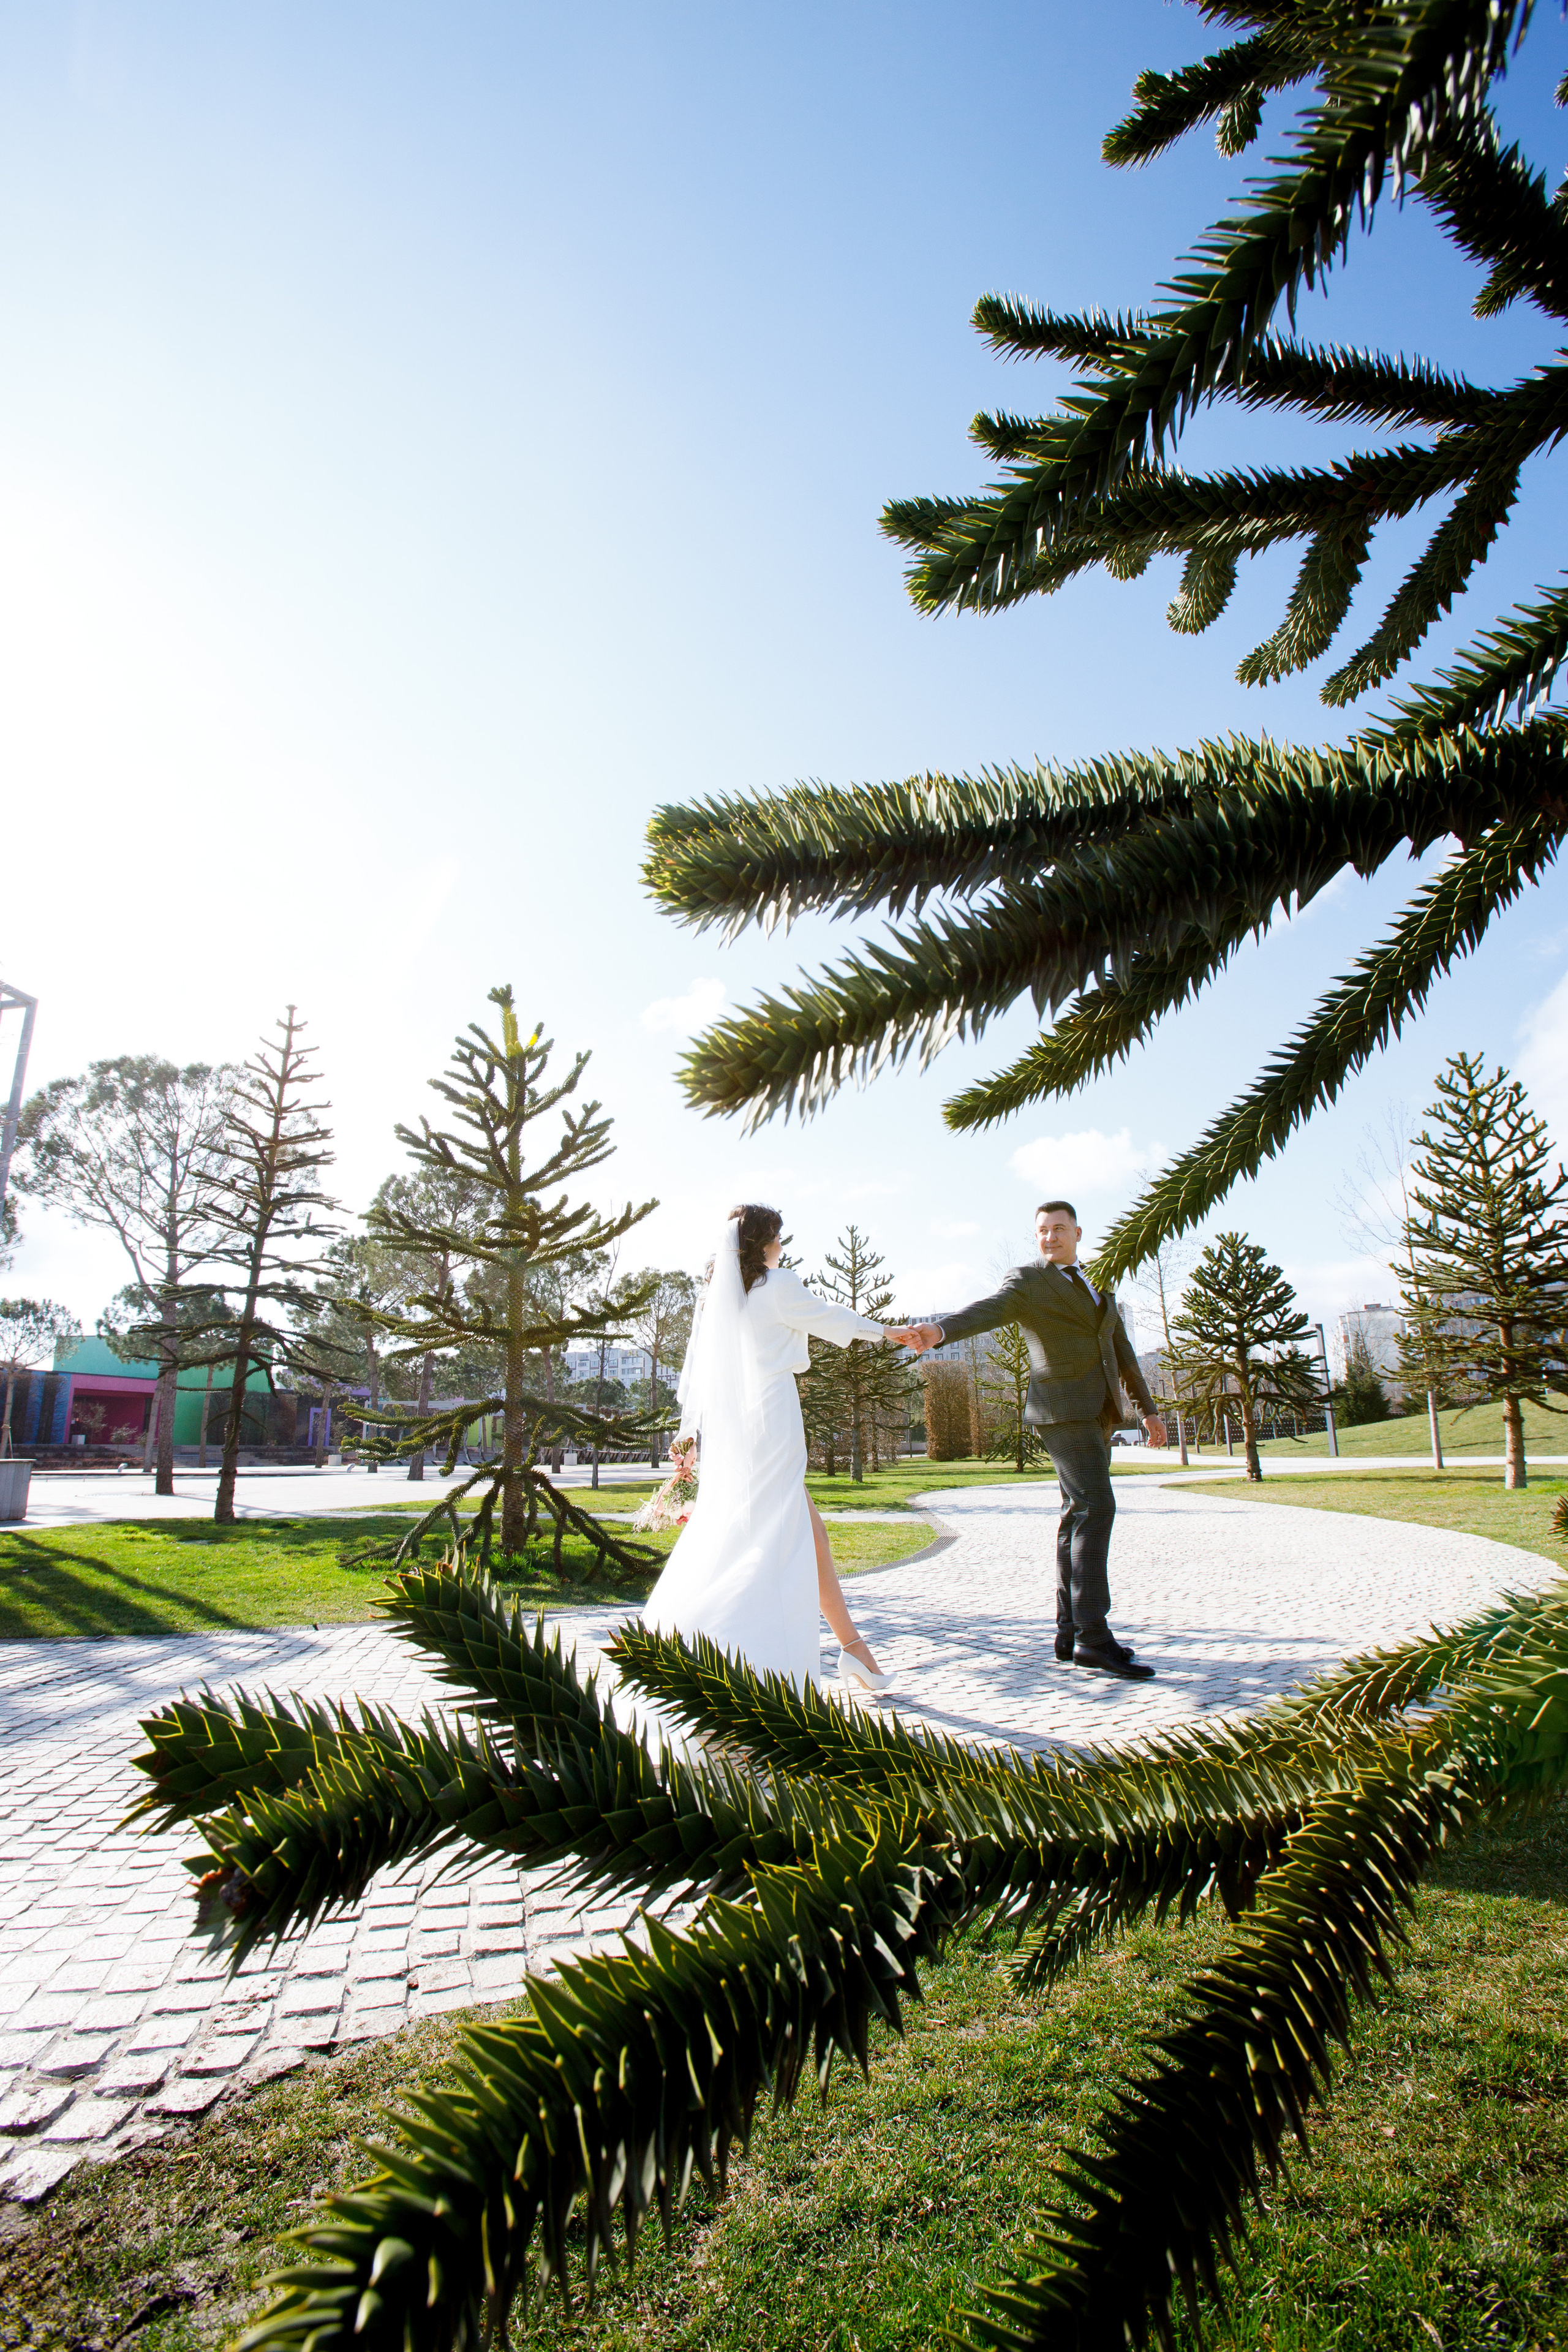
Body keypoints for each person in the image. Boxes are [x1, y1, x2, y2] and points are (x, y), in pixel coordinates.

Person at [643, 1204, 925, 1695]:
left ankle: (855, 1650)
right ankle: (723, 1643)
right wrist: (887, 1331)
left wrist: (691, 1435)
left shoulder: (718, 1298)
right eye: (777, 1237)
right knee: (773, 1540)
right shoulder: (778, 1285)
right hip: (772, 1417)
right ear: (762, 1243)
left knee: (812, 1537)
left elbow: (705, 1377)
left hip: (734, 1425)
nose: (781, 1247)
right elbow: (829, 1317)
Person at [905, 1200, 1166, 1681]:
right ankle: (1093, 1638)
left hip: (1101, 1411)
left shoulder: (1100, 1280)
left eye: (1059, 1229)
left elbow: (1122, 1350)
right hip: (1061, 1410)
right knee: (1096, 1508)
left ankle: (1070, 1631)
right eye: (1043, 1230)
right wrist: (940, 1330)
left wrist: (1147, 1411)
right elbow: (989, 1310)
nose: (1050, 1237)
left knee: (1077, 1513)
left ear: (1078, 1233)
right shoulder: (1029, 1280)